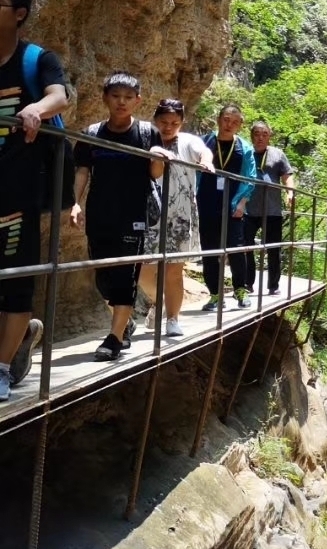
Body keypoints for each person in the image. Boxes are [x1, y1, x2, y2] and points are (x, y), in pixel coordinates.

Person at [0, 0, 67, 402]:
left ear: (19, 14)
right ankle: (20, 342)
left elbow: (59, 96)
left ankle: (3, 370)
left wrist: (36, 109)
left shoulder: (36, 59)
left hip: (17, 194)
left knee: (15, 283)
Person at [70, 73, 169, 361]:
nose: (121, 102)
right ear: (105, 97)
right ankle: (125, 323)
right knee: (103, 280)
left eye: (128, 97)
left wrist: (158, 158)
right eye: (116, 96)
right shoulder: (91, 134)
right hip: (100, 214)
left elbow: (154, 174)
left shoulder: (147, 133)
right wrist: (75, 204)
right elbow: (82, 172)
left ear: (137, 100)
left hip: (133, 215)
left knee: (125, 277)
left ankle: (114, 338)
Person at [138, 98, 213, 338]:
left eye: (174, 122)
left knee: (173, 270)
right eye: (164, 121)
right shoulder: (148, 139)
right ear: (156, 120)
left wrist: (206, 162)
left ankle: (172, 319)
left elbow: (204, 151)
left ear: (181, 122)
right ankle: (160, 302)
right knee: (143, 270)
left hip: (180, 215)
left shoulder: (189, 141)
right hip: (151, 214)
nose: (168, 127)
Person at [197, 103, 255, 311]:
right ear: (219, 119)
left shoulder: (244, 147)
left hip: (233, 204)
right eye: (226, 119)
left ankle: (241, 290)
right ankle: (215, 294)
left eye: (234, 121)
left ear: (240, 124)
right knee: (209, 250)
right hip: (206, 201)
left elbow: (250, 177)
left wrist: (242, 202)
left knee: (236, 248)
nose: (229, 124)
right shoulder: (205, 142)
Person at [243, 120, 295, 296]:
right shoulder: (245, 152)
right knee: (245, 247)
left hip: (272, 210)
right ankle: (247, 283)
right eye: (257, 134)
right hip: (247, 209)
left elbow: (287, 176)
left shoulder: (278, 154)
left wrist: (290, 193)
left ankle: (273, 285)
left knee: (274, 249)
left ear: (269, 136)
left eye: (264, 134)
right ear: (252, 136)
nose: (260, 138)